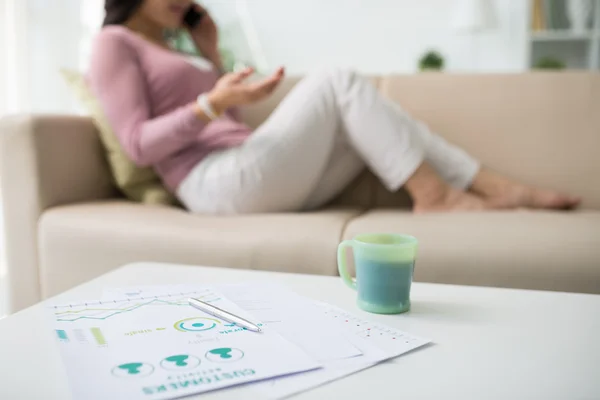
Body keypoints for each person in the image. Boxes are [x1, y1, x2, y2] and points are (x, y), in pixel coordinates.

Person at [89, 0, 580, 214]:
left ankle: (488, 185)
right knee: (336, 80)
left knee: (380, 120)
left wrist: (211, 55)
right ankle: (443, 195)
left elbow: (226, 123)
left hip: (248, 169)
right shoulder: (113, 43)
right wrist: (210, 102)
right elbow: (137, 146)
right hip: (212, 184)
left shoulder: (182, 45)